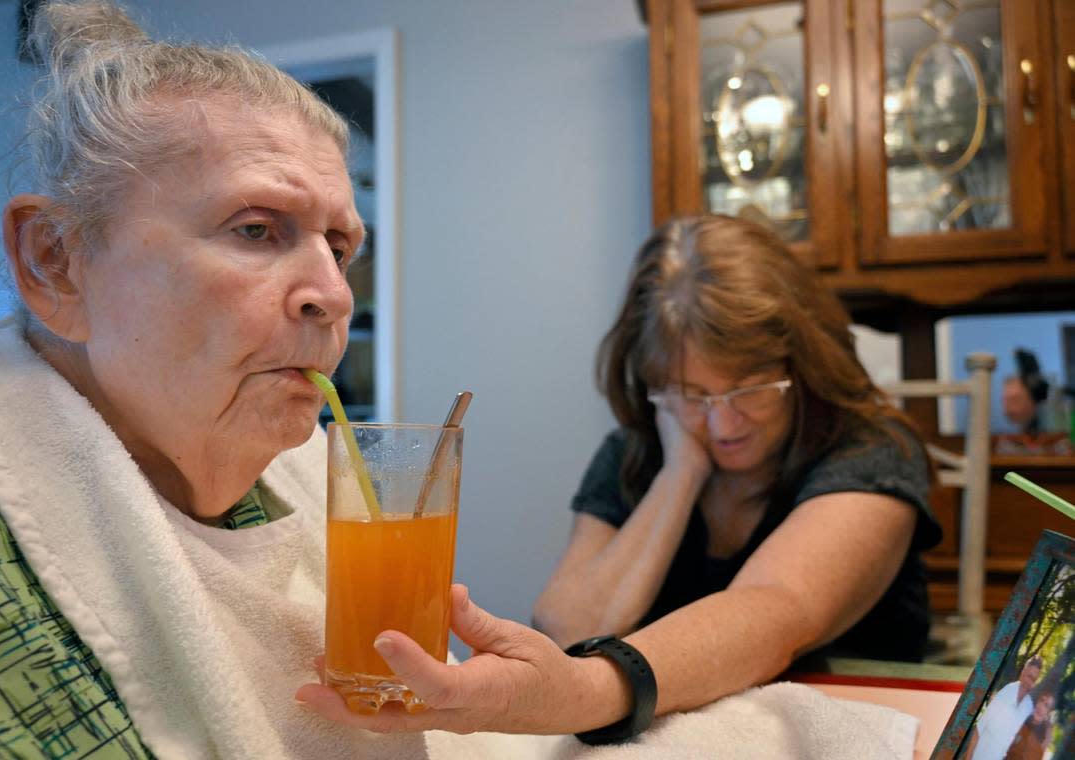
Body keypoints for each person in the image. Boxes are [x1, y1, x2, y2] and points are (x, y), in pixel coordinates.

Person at [0, 3, 462, 757]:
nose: (337, 294)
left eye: (341, 246)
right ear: (55, 262)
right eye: (256, 228)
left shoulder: (311, 471)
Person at [294, 217, 941, 743]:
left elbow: (775, 612)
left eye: (751, 389)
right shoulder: (642, 453)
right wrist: (682, 474)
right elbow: (570, 621)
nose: (723, 422)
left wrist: (584, 693)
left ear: (802, 366)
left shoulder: (872, 450)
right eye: (689, 393)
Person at [963, 655, 1044, 760]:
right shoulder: (1006, 693)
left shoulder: (1028, 707)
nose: (1029, 682)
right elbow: (979, 729)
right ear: (1022, 672)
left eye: (1033, 680)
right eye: (1029, 676)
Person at [1003, 685, 1054, 760]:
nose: (1041, 706)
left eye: (1046, 705)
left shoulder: (1043, 737)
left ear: (1047, 714)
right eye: (1041, 700)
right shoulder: (1022, 720)